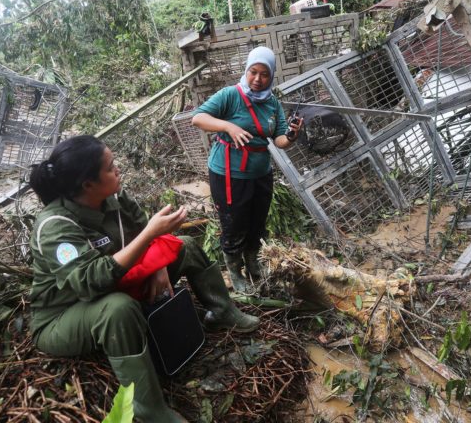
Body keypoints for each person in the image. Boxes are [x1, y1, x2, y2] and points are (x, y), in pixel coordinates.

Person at [28, 135, 260, 423]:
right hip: (65, 314)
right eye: (111, 167)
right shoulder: (56, 227)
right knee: (118, 308)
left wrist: (157, 265)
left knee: (184, 245)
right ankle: (149, 408)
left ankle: (223, 311)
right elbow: (89, 282)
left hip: (120, 282)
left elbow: (150, 235)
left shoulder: (113, 198)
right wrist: (150, 236)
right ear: (88, 184)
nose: (118, 170)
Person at [191, 46, 303, 292]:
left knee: (257, 223)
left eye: (264, 74)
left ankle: (253, 263)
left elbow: (280, 141)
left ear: (271, 76)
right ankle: (235, 271)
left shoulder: (272, 102)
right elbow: (198, 118)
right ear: (247, 70)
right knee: (234, 224)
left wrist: (292, 135)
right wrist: (229, 127)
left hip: (260, 173)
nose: (257, 79)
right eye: (253, 72)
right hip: (228, 174)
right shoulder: (230, 95)